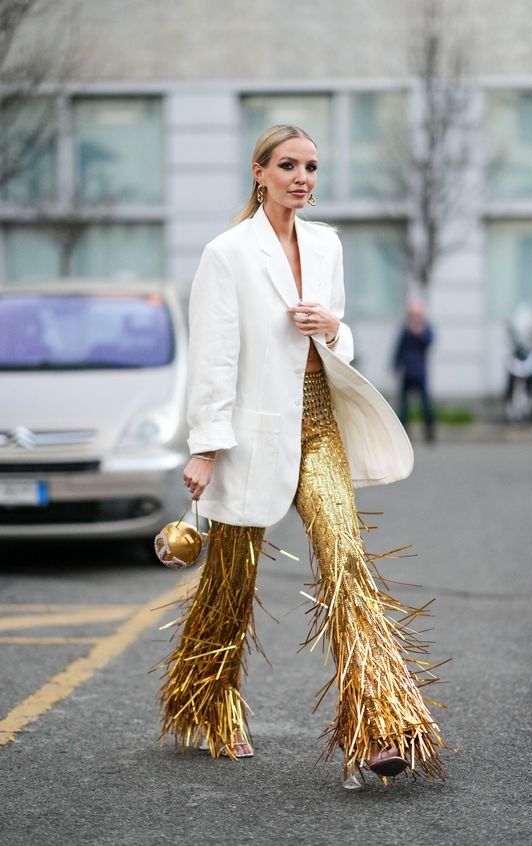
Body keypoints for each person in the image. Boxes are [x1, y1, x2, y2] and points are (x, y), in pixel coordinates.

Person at [158, 125, 446, 788]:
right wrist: (205, 449)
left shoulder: (326, 245)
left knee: (347, 562)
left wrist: (333, 328)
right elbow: (216, 358)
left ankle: (379, 725)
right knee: (230, 583)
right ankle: (208, 700)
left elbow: (337, 337)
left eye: (311, 166)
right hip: (251, 435)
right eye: (288, 165)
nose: (302, 178)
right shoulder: (226, 254)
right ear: (259, 173)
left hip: (318, 428)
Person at [393, 300, 436, 443]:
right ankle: (404, 433)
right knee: (404, 404)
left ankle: (429, 432)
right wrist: (395, 366)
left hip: (420, 371)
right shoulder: (405, 329)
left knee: (425, 403)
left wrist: (419, 332)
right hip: (407, 371)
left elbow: (429, 342)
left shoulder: (426, 328)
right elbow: (399, 348)